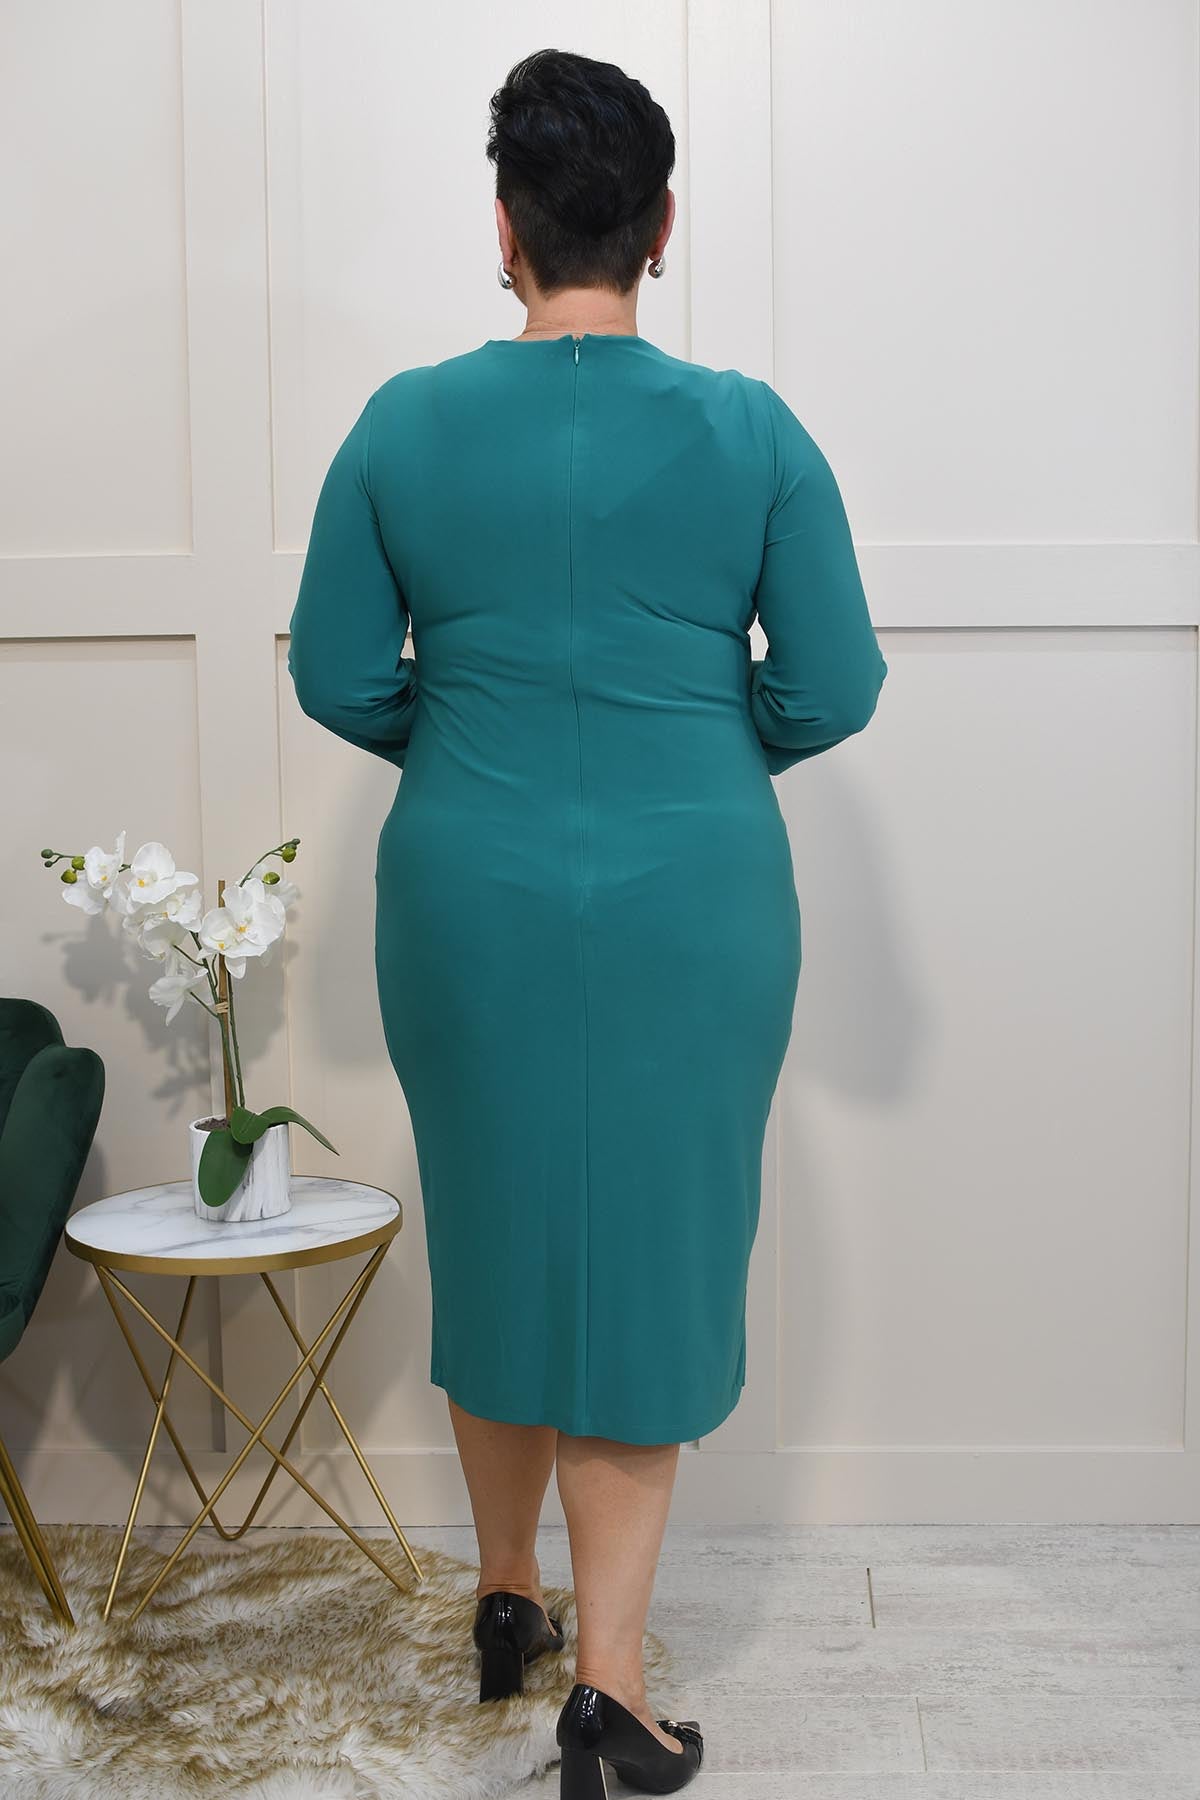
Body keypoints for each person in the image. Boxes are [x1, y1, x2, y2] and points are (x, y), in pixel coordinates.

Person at [287, 45, 887, 1798]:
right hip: (693, 897)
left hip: (465, 891)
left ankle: (506, 1597)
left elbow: (339, 674)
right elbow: (833, 685)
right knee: (647, 1257)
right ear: (661, 225)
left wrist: (477, 735)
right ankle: (611, 1690)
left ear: (505, 229)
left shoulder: (401, 425)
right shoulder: (753, 431)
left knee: (496, 1231)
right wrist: (695, 737)